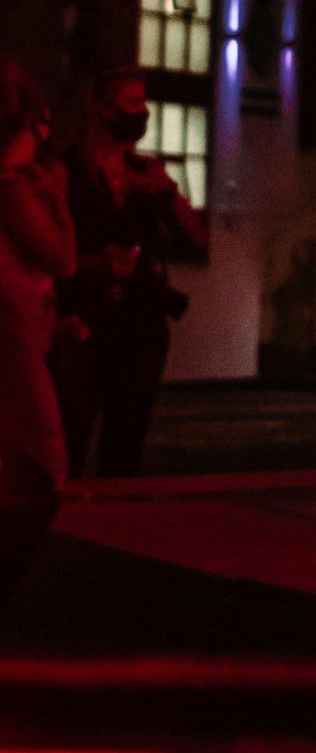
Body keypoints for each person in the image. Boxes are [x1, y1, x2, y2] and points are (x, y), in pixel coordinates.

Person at [52, 72, 203, 476]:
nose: (143, 111)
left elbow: (197, 236)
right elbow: (51, 253)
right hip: (85, 317)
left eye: (144, 101)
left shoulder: (146, 170)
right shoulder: (68, 170)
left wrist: (167, 191)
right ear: (102, 109)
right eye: (132, 102)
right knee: (72, 431)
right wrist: (97, 263)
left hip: (141, 320)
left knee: (126, 440)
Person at [0, 65, 75, 592]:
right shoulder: (13, 189)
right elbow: (61, 259)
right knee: (48, 457)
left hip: (22, 328)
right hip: (14, 335)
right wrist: (59, 196)